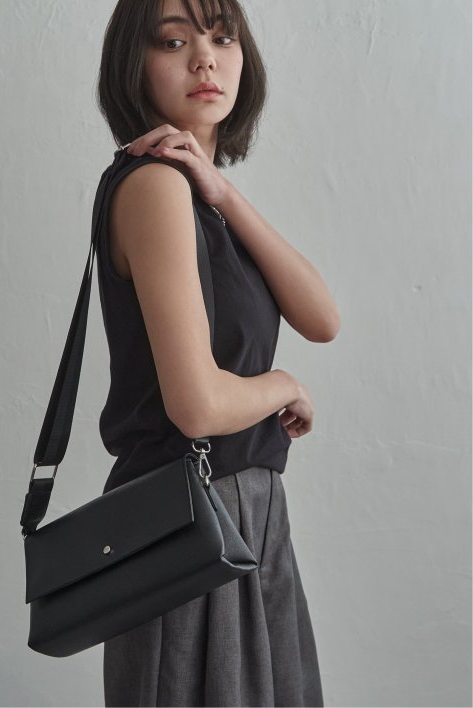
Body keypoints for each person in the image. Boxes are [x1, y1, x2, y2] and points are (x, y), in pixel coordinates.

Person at [94, 0, 340, 705]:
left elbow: (322, 317)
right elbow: (197, 407)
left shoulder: (199, 195)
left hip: (247, 516)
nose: (205, 57)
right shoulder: (153, 187)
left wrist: (223, 190)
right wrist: (283, 384)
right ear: (134, 66)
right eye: (174, 41)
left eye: (223, 37)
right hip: (190, 524)